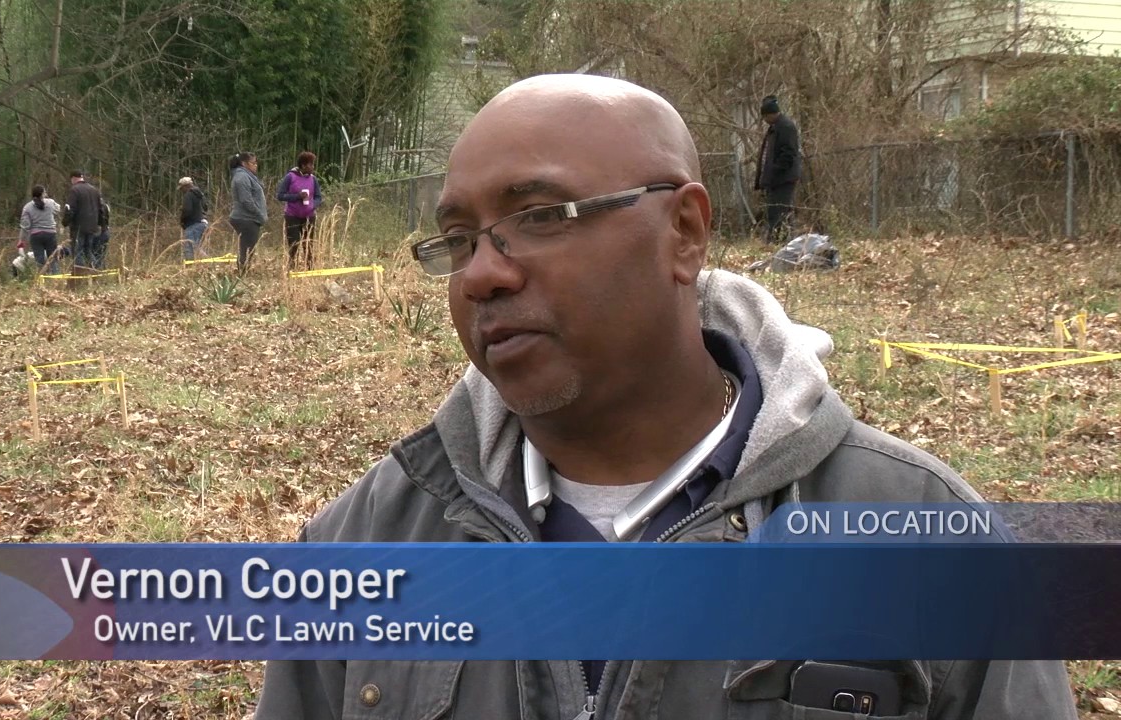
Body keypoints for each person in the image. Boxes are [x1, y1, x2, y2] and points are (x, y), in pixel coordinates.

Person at [252, 74, 1075, 719]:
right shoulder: (362, 544)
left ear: (683, 231)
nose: (482, 273)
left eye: (541, 215)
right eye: (458, 240)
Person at [753, 95, 802, 245]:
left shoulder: (786, 127)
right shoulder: (774, 128)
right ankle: (778, 241)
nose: (765, 120)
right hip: (775, 180)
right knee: (775, 212)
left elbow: (788, 153)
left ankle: (780, 242)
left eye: (765, 116)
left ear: (770, 114)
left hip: (783, 179)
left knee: (779, 212)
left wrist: (775, 170)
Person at [275, 151, 323, 269]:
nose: (312, 167)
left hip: (309, 216)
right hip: (292, 216)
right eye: (310, 164)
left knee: (309, 243)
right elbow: (280, 195)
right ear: (303, 165)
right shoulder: (290, 177)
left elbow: (318, 197)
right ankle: (292, 267)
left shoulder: (313, 179)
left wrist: (313, 205)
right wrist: (297, 196)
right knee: (294, 243)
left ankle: (309, 267)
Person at [228, 152, 267, 272]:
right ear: (244, 164)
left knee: (249, 248)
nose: (256, 165)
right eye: (253, 163)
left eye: (256, 163)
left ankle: (244, 270)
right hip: (246, 218)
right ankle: (242, 272)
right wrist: (259, 214)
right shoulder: (242, 177)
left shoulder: (248, 176)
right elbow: (246, 201)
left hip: (250, 218)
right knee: (247, 248)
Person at [62, 170, 103, 269]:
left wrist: (65, 223)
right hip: (92, 227)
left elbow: (70, 209)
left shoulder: (75, 190)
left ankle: (80, 274)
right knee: (88, 251)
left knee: (77, 252)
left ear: (73, 178)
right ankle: (97, 271)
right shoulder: (94, 190)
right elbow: (100, 209)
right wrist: (99, 224)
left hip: (78, 227)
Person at [18, 185, 61, 274]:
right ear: (43, 194)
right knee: (53, 258)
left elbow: (25, 226)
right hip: (50, 234)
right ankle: (56, 278)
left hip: (35, 235)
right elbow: (58, 209)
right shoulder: (50, 203)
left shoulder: (27, 207)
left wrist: (21, 240)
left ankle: (42, 281)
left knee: (39, 260)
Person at [178, 176, 209, 261]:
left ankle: (191, 266)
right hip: (203, 223)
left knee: (190, 247)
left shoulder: (188, 195)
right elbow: (205, 207)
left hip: (193, 224)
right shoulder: (200, 194)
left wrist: (182, 220)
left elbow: (187, 210)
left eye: (182, 188)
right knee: (198, 246)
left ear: (186, 186)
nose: (181, 191)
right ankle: (205, 265)